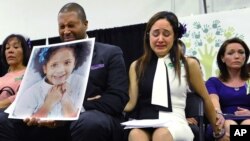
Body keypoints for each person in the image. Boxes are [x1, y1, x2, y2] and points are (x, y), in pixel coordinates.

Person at [0, 2, 128, 141]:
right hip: (50, 116)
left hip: (92, 116)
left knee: (88, 122)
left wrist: (74, 109)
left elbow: (117, 99)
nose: (66, 31)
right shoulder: (46, 56)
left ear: (85, 24)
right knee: (3, 120)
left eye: (71, 25)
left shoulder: (110, 53)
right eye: (62, 27)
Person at [123, 11, 224, 141]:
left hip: (175, 121)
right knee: (135, 135)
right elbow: (130, 103)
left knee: (161, 134)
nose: (160, 39)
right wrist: (106, 100)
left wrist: (218, 132)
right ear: (148, 36)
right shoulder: (137, 66)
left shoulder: (189, 64)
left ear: (175, 36)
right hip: (145, 121)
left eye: (166, 34)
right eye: (155, 34)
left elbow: (205, 99)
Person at [12, 43, 90, 118]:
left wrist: (65, 99)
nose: (60, 70)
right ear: (45, 68)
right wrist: (48, 103)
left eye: (67, 63)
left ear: (74, 63)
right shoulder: (32, 93)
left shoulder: (80, 82)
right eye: (54, 65)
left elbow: (79, 119)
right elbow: (21, 119)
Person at [205, 37, 250, 140]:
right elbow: (213, 101)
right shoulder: (213, 82)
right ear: (222, 58)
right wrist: (217, 112)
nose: (237, 56)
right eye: (231, 53)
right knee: (229, 125)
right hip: (223, 120)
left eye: (241, 52)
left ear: (245, 57)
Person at [0, 34, 30, 110]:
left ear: (24, 51)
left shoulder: (29, 73)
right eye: (7, 48)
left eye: (16, 47)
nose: (10, 51)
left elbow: (20, 98)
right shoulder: (1, 78)